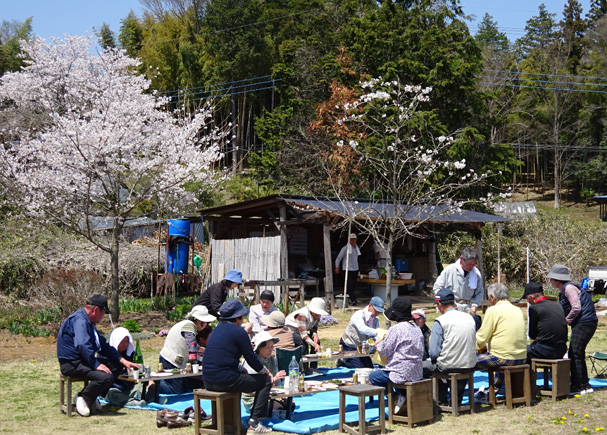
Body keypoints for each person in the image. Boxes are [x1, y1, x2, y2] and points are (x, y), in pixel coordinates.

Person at [57, 294, 141, 417]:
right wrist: (95, 364)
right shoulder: (80, 320)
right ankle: (83, 397)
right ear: (96, 309)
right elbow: (82, 345)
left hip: (83, 361)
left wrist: (123, 360)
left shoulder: (89, 323)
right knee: (105, 377)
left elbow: (103, 345)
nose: (103, 317)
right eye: (103, 313)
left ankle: (91, 395)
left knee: (116, 366)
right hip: (71, 364)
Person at [203, 299, 273, 433]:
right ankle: (254, 421)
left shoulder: (217, 330)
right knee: (265, 381)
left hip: (208, 380)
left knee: (243, 376)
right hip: (225, 380)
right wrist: (266, 371)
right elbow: (251, 359)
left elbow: (223, 357)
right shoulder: (239, 332)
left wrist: (241, 368)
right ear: (237, 317)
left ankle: (232, 420)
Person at [547, 264, 598, 394]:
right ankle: (581, 384)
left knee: (575, 352)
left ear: (556, 279)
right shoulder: (565, 289)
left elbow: (576, 308)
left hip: (585, 322)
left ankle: (581, 385)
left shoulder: (569, 288)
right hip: (583, 322)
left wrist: (566, 321)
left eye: (551, 279)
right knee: (576, 353)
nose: (550, 281)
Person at [369, 297, 424, 415]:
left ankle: (394, 399)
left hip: (400, 372)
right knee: (391, 374)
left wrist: (378, 344)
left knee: (374, 376)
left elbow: (384, 351)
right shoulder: (416, 328)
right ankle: (402, 395)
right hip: (417, 371)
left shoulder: (396, 329)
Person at [423, 289, 477, 404]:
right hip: (469, 364)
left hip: (448, 366)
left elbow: (434, 352)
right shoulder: (469, 318)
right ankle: (456, 399)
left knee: (425, 366)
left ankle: (437, 400)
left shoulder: (441, 321)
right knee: (448, 362)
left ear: (440, 304)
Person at [475, 283, 527, 390]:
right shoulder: (517, 309)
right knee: (500, 355)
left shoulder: (493, 310)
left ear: (492, 297)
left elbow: (482, 337)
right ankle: (493, 389)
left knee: (466, 363)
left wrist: (469, 349)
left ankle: (457, 397)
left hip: (502, 357)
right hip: (521, 357)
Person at [158, 305, 216, 395]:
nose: (206, 325)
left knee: (180, 388)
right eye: (205, 323)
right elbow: (191, 344)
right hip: (171, 360)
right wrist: (200, 350)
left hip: (174, 360)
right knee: (174, 391)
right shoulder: (189, 326)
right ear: (199, 321)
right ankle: (154, 383)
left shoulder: (189, 326)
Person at [102, 327, 155, 407]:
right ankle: (133, 402)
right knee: (113, 394)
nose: (125, 344)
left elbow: (139, 371)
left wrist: (149, 381)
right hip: (113, 388)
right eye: (122, 341)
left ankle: (151, 398)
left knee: (147, 389)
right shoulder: (105, 356)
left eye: (127, 341)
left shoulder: (131, 354)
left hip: (130, 387)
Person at [433, 248, 483, 327]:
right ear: (461, 259)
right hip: (452, 307)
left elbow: (480, 291)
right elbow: (437, 288)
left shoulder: (476, 273)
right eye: (469, 263)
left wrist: (474, 305)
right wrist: (447, 304)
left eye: (474, 264)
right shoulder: (449, 270)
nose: (471, 266)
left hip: (468, 307)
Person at [242, 331, 287, 415]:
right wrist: (274, 378)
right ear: (259, 348)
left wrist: (281, 394)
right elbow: (254, 387)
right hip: (254, 398)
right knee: (282, 408)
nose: (271, 350)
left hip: (270, 395)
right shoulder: (251, 362)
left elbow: (278, 385)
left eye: (272, 346)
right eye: (267, 347)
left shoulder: (272, 360)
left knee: (289, 405)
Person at [523, 281, 568, 363]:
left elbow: (532, 335)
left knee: (519, 352)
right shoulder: (558, 305)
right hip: (562, 349)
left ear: (531, 297)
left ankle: (527, 375)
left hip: (545, 350)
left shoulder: (534, 308)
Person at [339, 296, 385, 369]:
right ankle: (342, 362)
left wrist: (378, 341)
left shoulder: (376, 319)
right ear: (370, 306)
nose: (377, 313)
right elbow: (362, 329)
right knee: (358, 368)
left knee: (369, 368)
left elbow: (375, 335)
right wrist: (377, 332)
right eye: (376, 310)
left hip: (362, 347)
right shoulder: (358, 314)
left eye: (379, 311)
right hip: (349, 345)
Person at [335, 233, 361, 305]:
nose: (353, 241)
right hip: (347, 268)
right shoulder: (345, 248)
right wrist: (337, 267)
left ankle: (348, 298)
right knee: (349, 285)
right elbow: (338, 258)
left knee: (353, 285)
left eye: (354, 239)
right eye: (352, 239)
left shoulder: (356, 248)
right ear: (349, 240)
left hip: (355, 268)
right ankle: (353, 299)